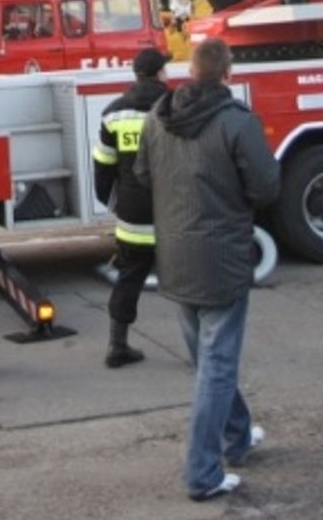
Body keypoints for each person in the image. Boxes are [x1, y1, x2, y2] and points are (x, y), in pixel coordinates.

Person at [135, 38, 280, 502]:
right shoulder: (237, 122)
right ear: (228, 72)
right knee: (216, 366)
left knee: (208, 361)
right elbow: (267, 186)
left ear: (190, 71)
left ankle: (236, 439)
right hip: (221, 260)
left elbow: (142, 174)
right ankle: (202, 473)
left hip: (175, 257)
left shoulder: (159, 117)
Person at [92, 47, 170, 368]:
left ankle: (117, 345)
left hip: (132, 216)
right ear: (160, 73)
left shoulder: (114, 113)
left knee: (129, 278)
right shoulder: (176, 107)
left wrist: (112, 202)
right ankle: (203, 347)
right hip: (173, 214)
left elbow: (102, 167)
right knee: (191, 281)